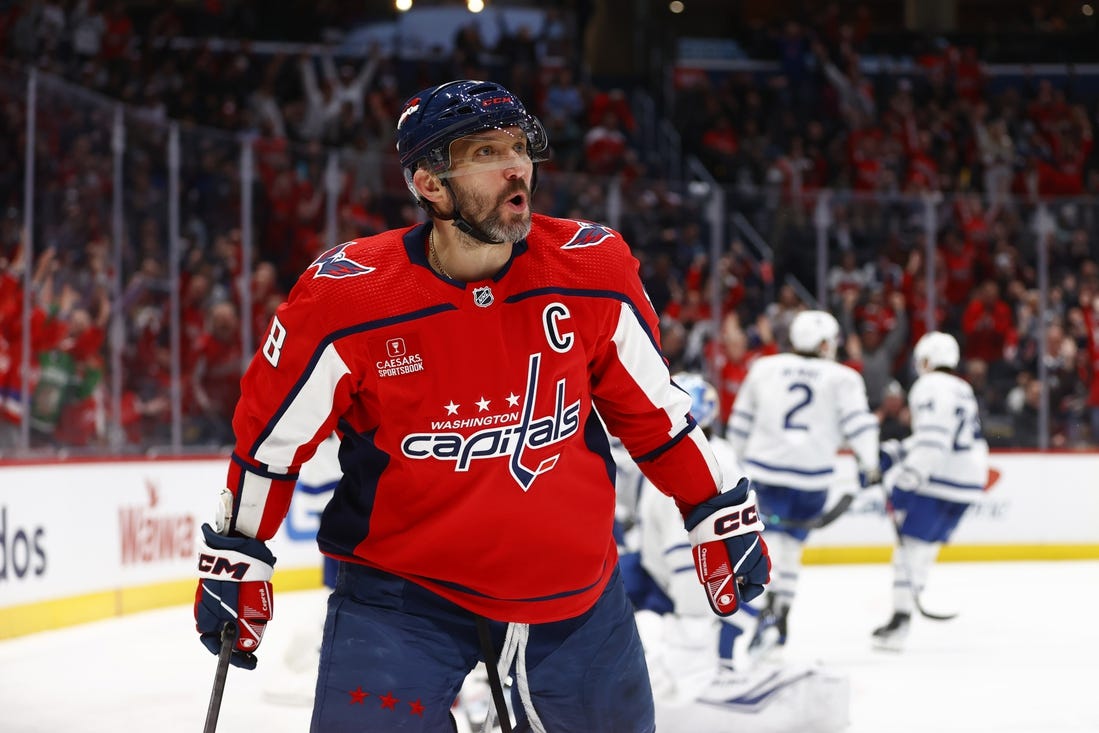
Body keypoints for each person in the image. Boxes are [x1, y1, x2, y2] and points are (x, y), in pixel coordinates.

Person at [192, 79, 770, 733]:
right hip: (399, 592)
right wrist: (238, 551)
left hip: (570, 587)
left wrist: (711, 504)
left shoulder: (592, 268)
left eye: (519, 146)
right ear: (430, 183)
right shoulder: (345, 298)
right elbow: (270, 443)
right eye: (487, 151)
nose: (516, 165)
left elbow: (655, 417)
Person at [726, 310, 879, 656]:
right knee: (792, 548)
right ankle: (780, 617)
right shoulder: (843, 377)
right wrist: (870, 465)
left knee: (768, 547)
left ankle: (765, 614)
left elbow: (739, 423)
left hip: (765, 472)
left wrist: (730, 466)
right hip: (813, 480)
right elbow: (859, 425)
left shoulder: (764, 368)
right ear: (825, 343)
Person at [873, 331, 989, 651]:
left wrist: (905, 483)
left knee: (907, 551)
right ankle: (904, 614)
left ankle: (899, 621)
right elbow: (940, 438)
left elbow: (933, 446)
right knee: (922, 549)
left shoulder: (928, 386)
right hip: (969, 481)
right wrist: (897, 451)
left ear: (925, 361)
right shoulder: (961, 388)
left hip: (941, 479)